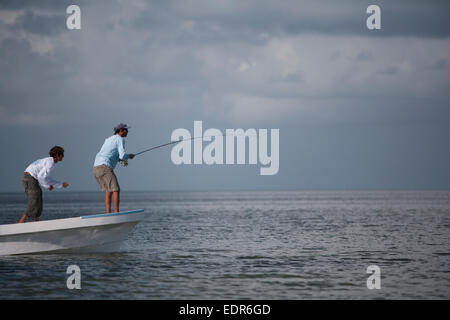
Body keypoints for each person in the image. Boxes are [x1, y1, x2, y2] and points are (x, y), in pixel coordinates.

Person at [19, 146, 69, 223]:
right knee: (34, 200)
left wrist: (61, 184)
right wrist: (48, 186)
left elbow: (48, 178)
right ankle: (20, 223)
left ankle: (37, 223)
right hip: (30, 178)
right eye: (62, 154)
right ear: (57, 155)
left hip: (31, 179)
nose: (63, 156)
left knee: (38, 198)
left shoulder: (49, 161)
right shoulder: (50, 162)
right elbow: (41, 176)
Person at [93, 123, 135, 213]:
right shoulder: (120, 139)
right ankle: (116, 213)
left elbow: (110, 154)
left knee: (109, 190)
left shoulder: (108, 139)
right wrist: (129, 156)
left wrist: (121, 160)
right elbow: (123, 155)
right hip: (105, 167)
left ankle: (108, 214)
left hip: (96, 168)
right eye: (126, 130)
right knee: (116, 189)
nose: (127, 131)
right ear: (120, 131)